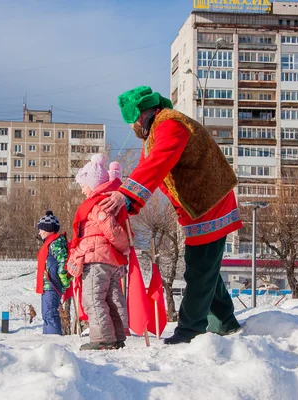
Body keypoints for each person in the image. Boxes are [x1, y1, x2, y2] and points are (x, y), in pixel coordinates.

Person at [100, 86, 244, 345]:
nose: (132, 127)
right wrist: (127, 197)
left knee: (199, 267)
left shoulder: (170, 125)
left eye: (132, 120)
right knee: (204, 265)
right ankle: (224, 322)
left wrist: (126, 195)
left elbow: (159, 162)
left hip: (209, 205)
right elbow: (147, 165)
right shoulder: (157, 129)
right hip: (199, 206)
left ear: (141, 114)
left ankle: (190, 330)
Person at [67, 154, 130, 351]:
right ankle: (116, 336)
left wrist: (124, 246)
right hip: (107, 259)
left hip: (97, 259)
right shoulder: (102, 202)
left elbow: (111, 229)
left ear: (93, 184)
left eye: (83, 186)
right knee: (109, 298)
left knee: (93, 298)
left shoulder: (96, 205)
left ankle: (103, 338)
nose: (82, 190)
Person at [36, 211, 70, 335]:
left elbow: (63, 261)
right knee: (46, 314)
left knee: (50, 314)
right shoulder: (49, 243)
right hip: (47, 285)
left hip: (52, 284)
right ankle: (47, 342)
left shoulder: (55, 243)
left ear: (48, 229)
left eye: (41, 229)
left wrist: (63, 279)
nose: (39, 232)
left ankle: (53, 342)